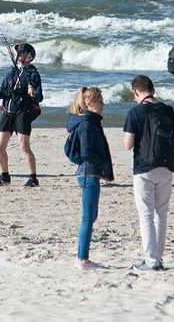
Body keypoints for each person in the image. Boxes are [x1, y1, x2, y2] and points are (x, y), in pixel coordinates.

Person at [123, 74, 174, 271]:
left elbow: (128, 145)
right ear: (153, 91)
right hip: (166, 167)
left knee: (146, 215)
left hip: (143, 168)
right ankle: (158, 258)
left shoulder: (135, 113)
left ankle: (151, 260)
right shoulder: (168, 110)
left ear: (137, 92)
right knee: (161, 214)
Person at [66, 87, 114, 270]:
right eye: (99, 100)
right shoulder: (87, 123)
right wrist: (99, 163)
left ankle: (82, 257)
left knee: (92, 215)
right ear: (88, 103)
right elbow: (86, 151)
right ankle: (82, 258)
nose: (103, 103)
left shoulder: (90, 122)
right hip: (88, 172)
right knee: (87, 217)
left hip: (89, 172)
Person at [0, 42, 43, 187]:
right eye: (18, 53)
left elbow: (39, 97)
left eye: (22, 53)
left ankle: (33, 178)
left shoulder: (33, 74)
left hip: (22, 113)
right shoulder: (11, 73)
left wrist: (32, 94)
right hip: (8, 112)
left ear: (30, 56)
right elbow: (2, 93)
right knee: (0, 147)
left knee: (24, 147)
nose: (19, 56)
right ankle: (5, 177)